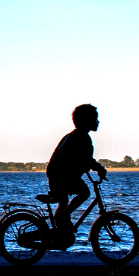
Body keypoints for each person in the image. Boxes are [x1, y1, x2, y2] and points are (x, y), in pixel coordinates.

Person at [46, 103, 107, 248]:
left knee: (63, 200)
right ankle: (63, 219)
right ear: (86, 121)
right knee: (84, 193)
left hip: (57, 174)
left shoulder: (73, 136)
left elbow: (79, 159)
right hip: (61, 175)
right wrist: (99, 169)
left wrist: (90, 167)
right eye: (95, 119)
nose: (97, 122)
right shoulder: (82, 137)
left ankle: (60, 231)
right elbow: (86, 159)